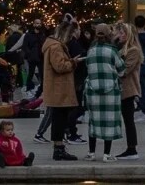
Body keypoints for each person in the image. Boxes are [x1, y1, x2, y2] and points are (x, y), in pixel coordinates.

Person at [83, 23, 125, 162]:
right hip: (110, 91)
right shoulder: (112, 50)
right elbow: (121, 70)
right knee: (109, 122)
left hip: (93, 91)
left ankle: (91, 153)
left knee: (93, 122)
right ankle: (107, 154)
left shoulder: (91, 50)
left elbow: (87, 67)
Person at [41, 19, 81, 161]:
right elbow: (60, 66)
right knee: (59, 119)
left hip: (56, 88)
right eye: (70, 36)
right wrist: (73, 62)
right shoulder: (56, 47)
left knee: (59, 118)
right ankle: (59, 149)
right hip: (59, 88)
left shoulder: (51, 45)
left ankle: (59, 148)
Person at [114, 22, 142, 159]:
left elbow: (125, 70)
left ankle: (132, 148)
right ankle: (131, 148)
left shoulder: (133, 50)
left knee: (128, 120)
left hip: (128, 89)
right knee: (126, 119)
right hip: (120, 89)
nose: (119, 35)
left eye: (121, 33)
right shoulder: (120, 48)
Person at [22, 20, 45, 91]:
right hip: (32, 57)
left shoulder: (42, 34)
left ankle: (43, 89)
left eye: (40, 23)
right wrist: (29, 54)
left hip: (41, 57)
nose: (38, 25)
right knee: (31, 73)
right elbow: (25, 46)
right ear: (34, 24)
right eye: (37, 23)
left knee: (42, 74)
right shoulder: (28, 35)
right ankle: (29, 88)